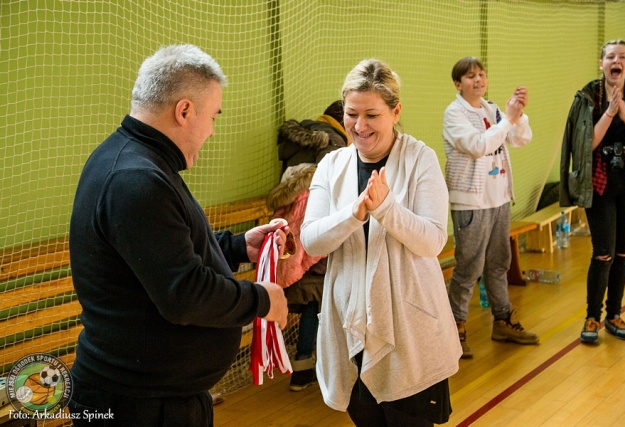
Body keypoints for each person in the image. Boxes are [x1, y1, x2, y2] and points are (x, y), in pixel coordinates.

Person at [67, 44, 289, 426]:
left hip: (152, 398)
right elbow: (183, 293)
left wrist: (238, 247)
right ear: (184, 111)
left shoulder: (134, 160)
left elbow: (164, 257)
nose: (212, 131)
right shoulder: (136, 179)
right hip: (138, 407)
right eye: (213, 117)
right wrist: (261, 299)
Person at [300, 59, 461, 427]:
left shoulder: (420, 159)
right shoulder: (331, 165)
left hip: (410, 330)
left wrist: (386, 208)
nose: (360, 126)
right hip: (351, 326)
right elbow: (311, 241)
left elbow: (433, 241)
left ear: (396, 111)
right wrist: (353, 214)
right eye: (351, 114)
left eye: (372, 115)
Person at [443, 56, 539, 359]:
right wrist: (507, 119)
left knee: (499, 263)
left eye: (482, 74)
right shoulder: (454, 113)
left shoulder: (492, 109)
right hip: (471, 203)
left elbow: (522, 139)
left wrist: (517, 115)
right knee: (468, 267)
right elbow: (478, 146)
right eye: (471, 76)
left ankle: (503, 321)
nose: (478, 80)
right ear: (458, 84)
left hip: (499, 199)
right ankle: (454, 329)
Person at [560, 39, 625, 343]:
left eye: (622, 57)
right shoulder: (586, 98)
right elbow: (586, 145)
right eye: (610, 57)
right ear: (601, 64)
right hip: (599, 184)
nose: (616, 61)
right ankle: (592, 317)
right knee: (603, 254)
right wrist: (609, 112)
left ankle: (614, 315)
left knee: (623, 253)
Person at [267, 101, 348, 391]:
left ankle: (303, 365)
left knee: (313, 298)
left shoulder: (299, 142)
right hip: (318, 235)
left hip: (293, 233)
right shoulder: (335, 144)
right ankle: (328, 366)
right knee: (322, 299)